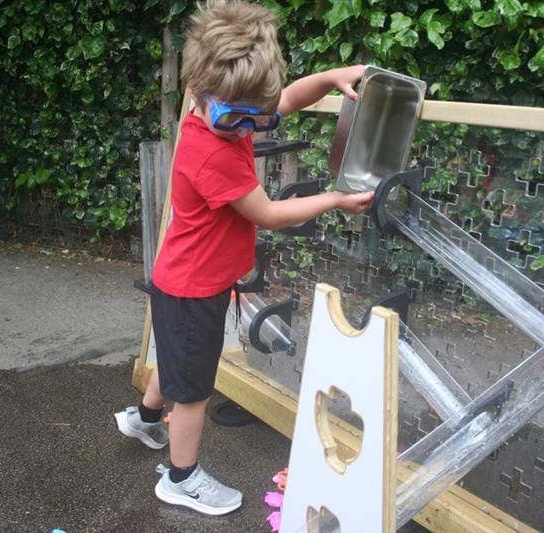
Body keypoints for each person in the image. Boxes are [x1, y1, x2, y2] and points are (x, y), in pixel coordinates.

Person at [115, 0, 373, 516]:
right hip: (193, 289)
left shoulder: (221, 111)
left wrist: (328, 77)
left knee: (178, 359)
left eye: (254, 116)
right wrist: (338, 199)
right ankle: (181, 477)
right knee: (193, 390)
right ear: (201, 93)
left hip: (183, 281)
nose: (247, 127)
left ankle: (143, 419)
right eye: (238, 117)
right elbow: (270, 213)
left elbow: (286, 100)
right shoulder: (212, 152)